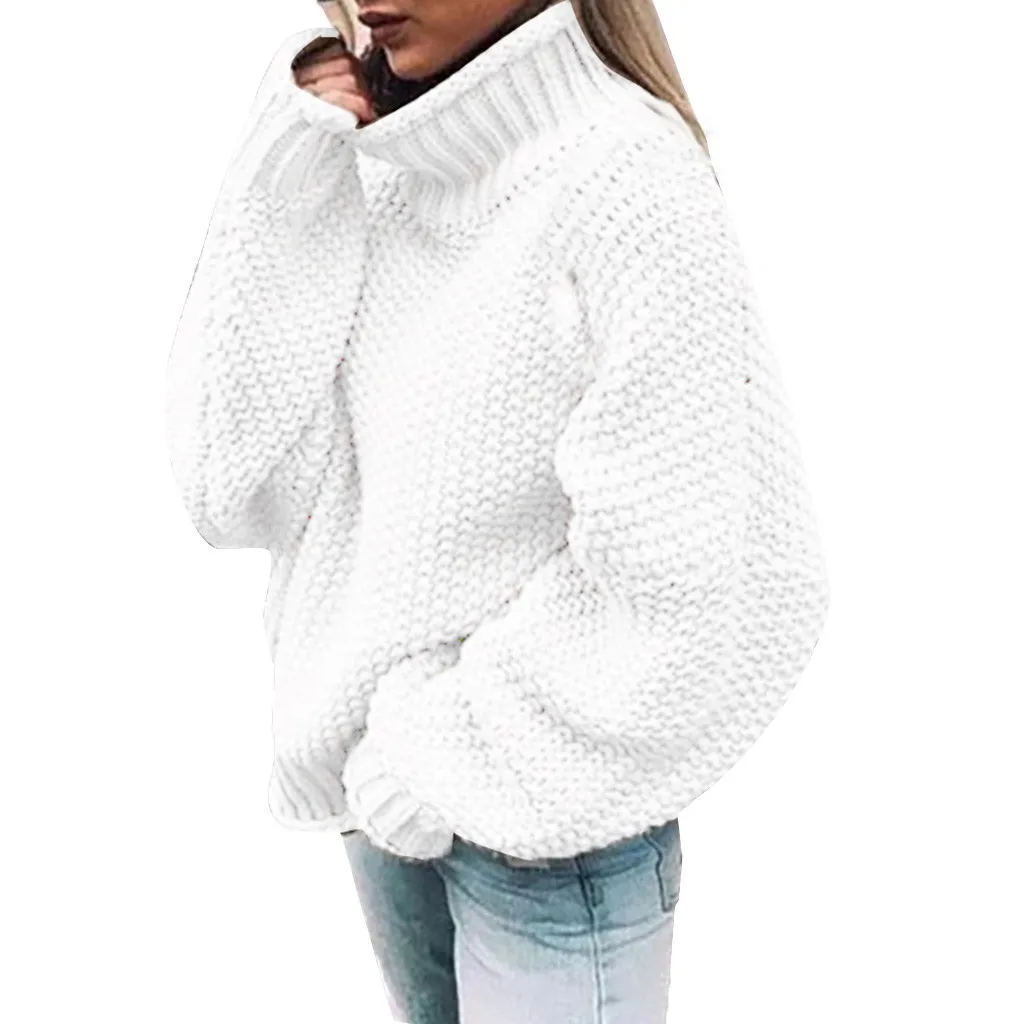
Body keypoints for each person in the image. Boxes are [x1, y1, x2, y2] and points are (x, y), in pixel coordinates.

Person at [163, 1, 830, 1020]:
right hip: (384, 805)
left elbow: (696, 580)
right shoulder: (383, 167)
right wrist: (286, 171)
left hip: (554, 834)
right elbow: (231, 486)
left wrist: (438, 753)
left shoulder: (624, 177)